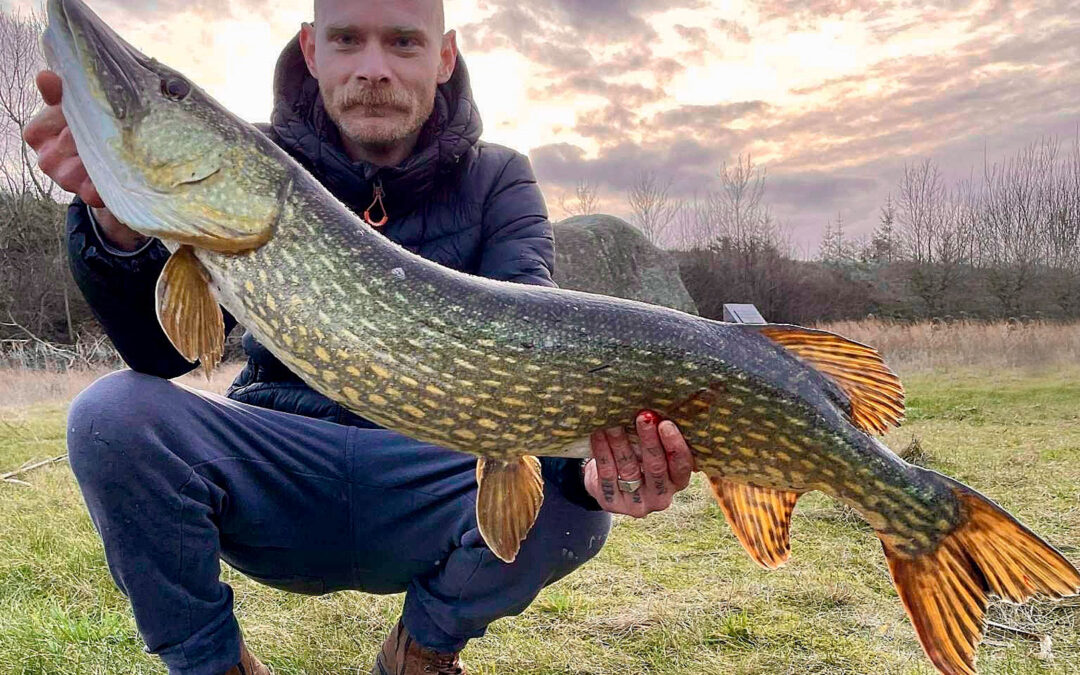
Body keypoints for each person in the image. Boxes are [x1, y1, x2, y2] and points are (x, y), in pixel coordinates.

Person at [24, 1, 696, 674]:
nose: (373, 69)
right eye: (349, 40)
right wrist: (116, 225)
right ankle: (215, 665)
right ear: (313, 51)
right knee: (110, 417)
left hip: (428, 480)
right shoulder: (259, 166)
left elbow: (532, 349)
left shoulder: (499, 179)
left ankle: (420, 654)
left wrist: (591, 470)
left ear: (444, 55)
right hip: (278, 469)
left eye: (403, 42)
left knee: (574, 506)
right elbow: (158, 353)